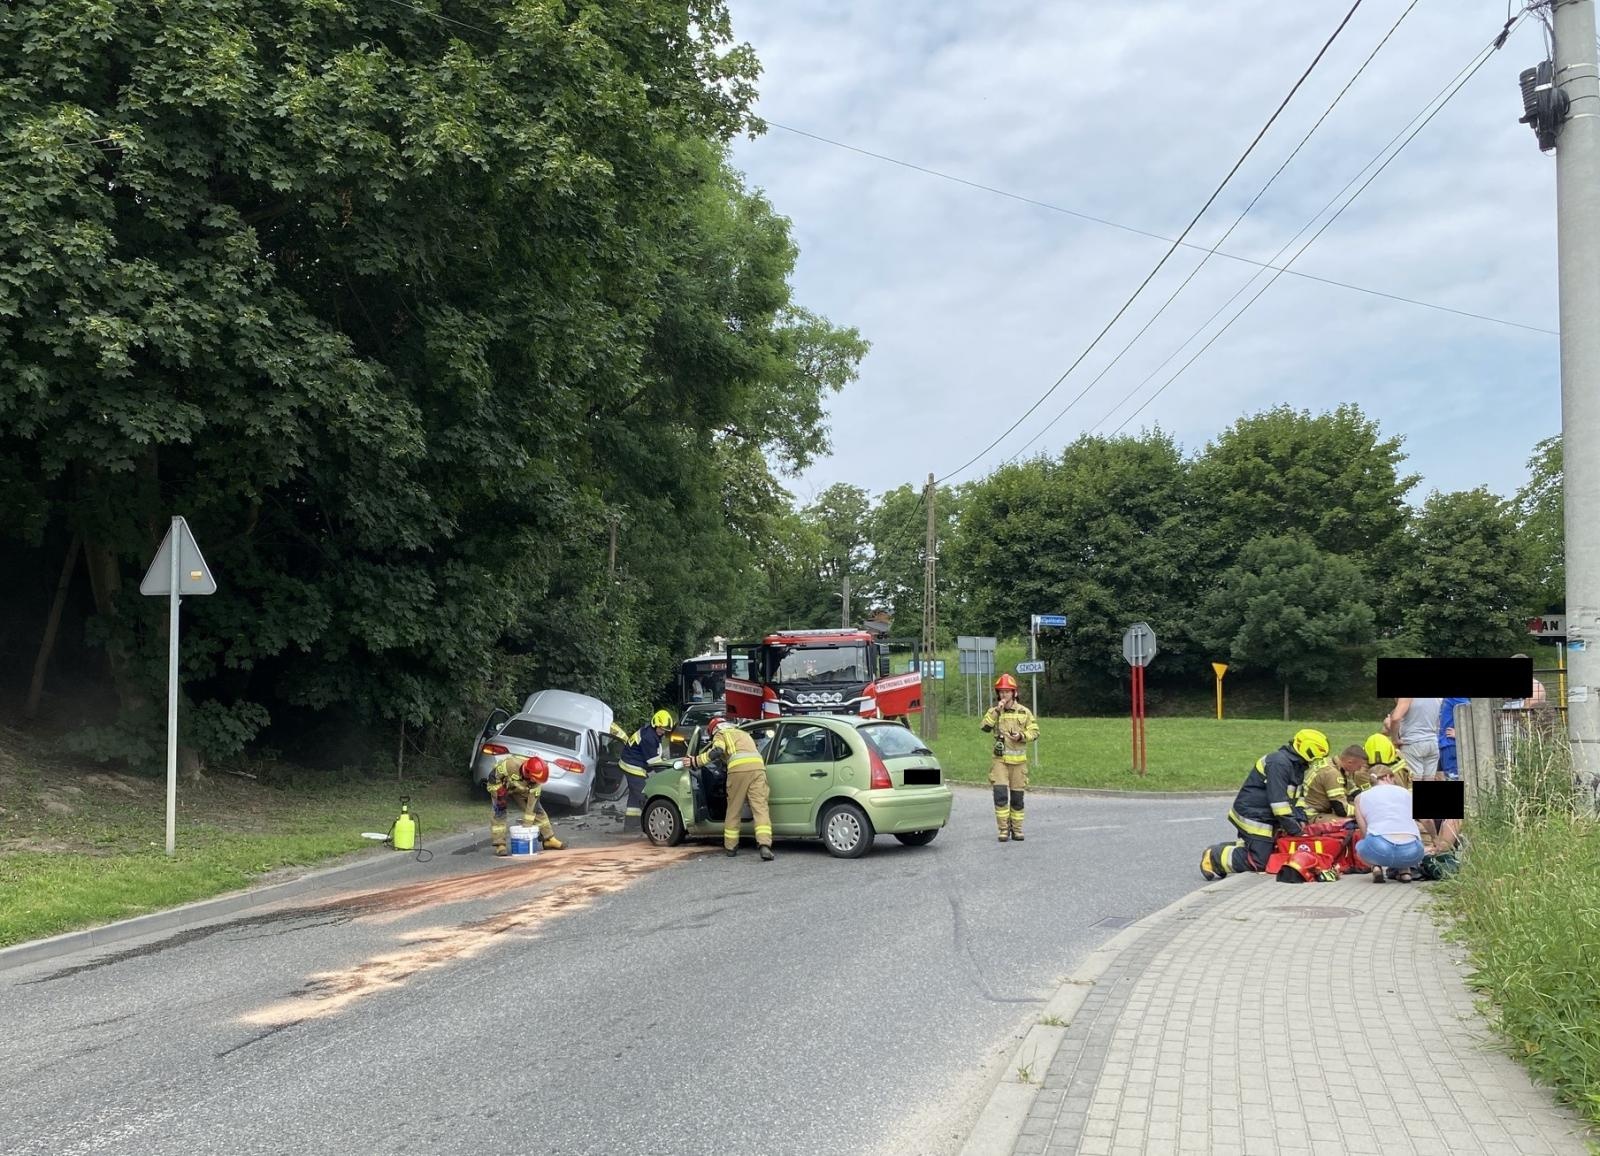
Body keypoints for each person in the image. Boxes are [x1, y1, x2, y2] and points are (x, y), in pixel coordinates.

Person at [1200, 729, 1329, 880]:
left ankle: (1231, 849)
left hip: (1265, 815)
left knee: (1271, 848)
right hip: (1253, 815)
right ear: (1307, 748)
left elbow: (1298, 797)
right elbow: (1278, 803)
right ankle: (1214, 856)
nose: (1316, 760)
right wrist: (1295, 830)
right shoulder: (1278, 763)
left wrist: (1301, 819)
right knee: (1260, 861)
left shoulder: (1297, 766)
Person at [689, 716, 774, 860]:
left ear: (713, 730)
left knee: (734, 809)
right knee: (760, 809)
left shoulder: (721, 734)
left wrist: (695, 761)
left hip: (738, 770)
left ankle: (731, 847)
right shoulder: (743, 733)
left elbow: (717, 752)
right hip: (758, 769)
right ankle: (764, 845)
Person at [980, 673, 1039, 842]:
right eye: (1001, 692)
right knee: (1000, 796)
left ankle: (1017, 829)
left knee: (1017, 798)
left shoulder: (1024, 712)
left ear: (1014, 693)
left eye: (1007, 691)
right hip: (1000, 761)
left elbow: (1035, 732)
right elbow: (984, 727)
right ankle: (1003, 829)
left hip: (1018, 763)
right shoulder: (995, 711)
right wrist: (997, 711)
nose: (1004, 695)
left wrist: (1021, 736)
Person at [1353, 760, 1425, 882]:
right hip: (1413, 853)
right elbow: (1426, 820)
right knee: (1404, 838)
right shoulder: (1406, 793)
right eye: (1393, 778)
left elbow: (1365, 831)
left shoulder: (1360, 797)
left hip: (1379, 849)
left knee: (1361, 845)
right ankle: (1405, 872)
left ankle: (1376, 867)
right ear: (1387, 777)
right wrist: (1435, 839)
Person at [487, 754, 566, 856]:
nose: (536, 782)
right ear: (527, 772)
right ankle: (500, 845)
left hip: (520, 789)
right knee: (499, 811)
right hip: (501, 785)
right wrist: (498, 791)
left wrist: (527, 827)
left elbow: (532, 805)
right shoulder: (510, 765)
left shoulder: (536, 781)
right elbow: (493, 776)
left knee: (537, 810)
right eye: (534, 779)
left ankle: (548, 839)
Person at [613, 709, 674, 833]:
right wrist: (668, 772)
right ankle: (651, 825)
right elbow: (653, 762)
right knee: (644, 795)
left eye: (665, 730)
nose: (663, 732)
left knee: (634, 798)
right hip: (633, 766)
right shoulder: (649, 737)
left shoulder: (651, 732)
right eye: (662, 729)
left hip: (631, 763)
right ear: (655, 724)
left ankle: (631, 826)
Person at [1300, 744, 1367, 822]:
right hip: (1312, 815)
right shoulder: (1332, 774)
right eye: (1359, 766)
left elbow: (1353, 790)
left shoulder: (1333, 763)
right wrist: (1365, 810)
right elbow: (1342, 810)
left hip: (1310, 808)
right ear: (1350, 762)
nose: (1359, 770)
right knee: (1355, 821)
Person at [1384, 696, 1442, 780]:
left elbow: (1396, 718)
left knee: (1414, 780)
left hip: (1412, 743)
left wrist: (1395, 739)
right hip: (1432, 743)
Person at [1438, 697, 1470, 781]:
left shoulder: (1457, 699)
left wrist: (1460, 733)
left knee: (1452, 778)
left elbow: (1473, 715)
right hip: (1445, 744)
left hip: (1450, 745)